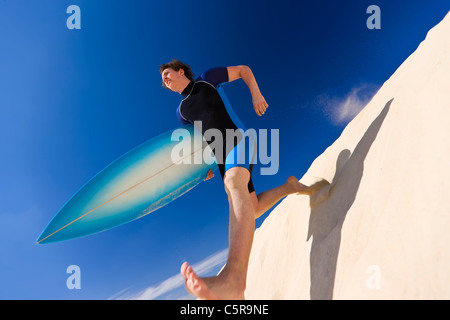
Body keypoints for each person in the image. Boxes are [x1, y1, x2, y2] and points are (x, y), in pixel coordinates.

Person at [160, 60, 309, 299]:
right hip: (220, 158)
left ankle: (234, 278)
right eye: (162, 80)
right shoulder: (181, 113)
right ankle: (289, 186)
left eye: (167, 74)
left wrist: (256, 94)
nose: (164, 80)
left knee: (233, 183)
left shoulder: (206, 79)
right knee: (253, 208)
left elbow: (244, 70)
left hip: (238, 138)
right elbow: (201, 140)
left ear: (180, 71)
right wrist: (207, 166)